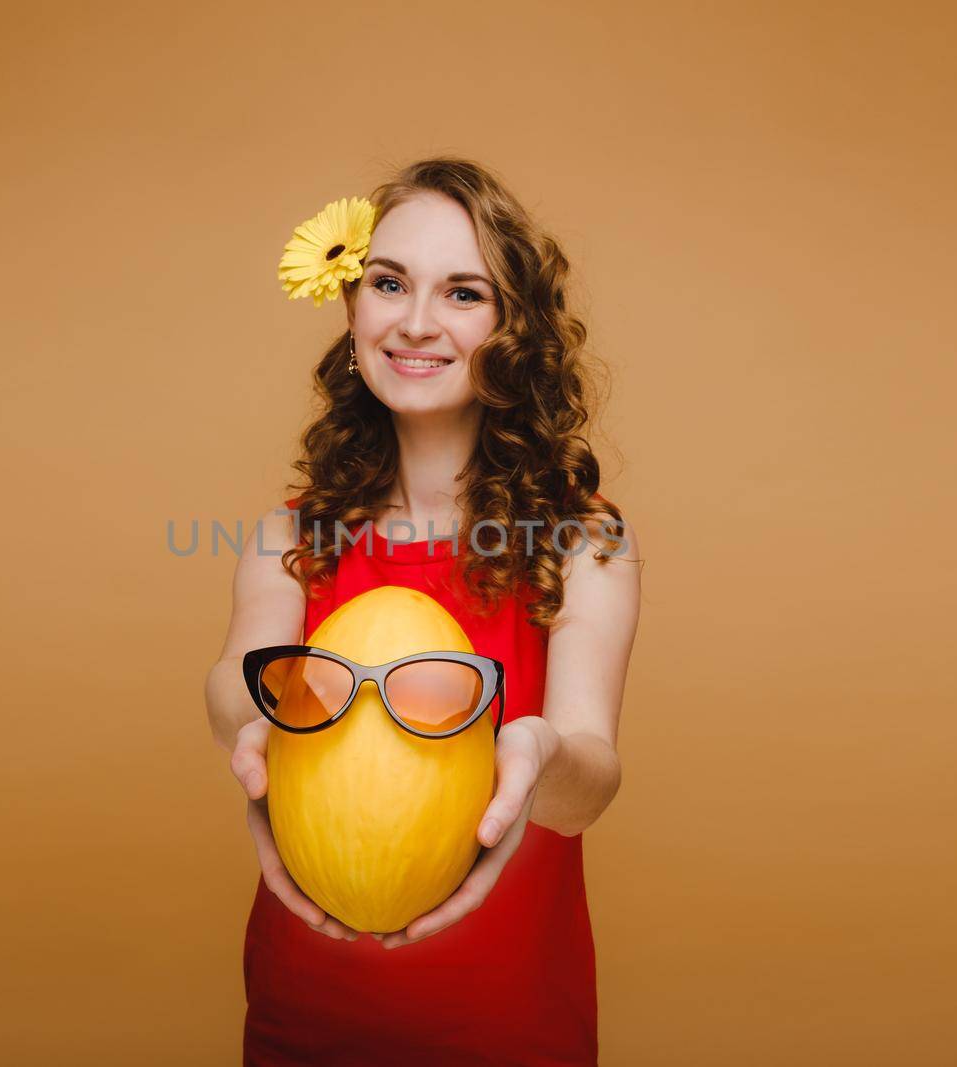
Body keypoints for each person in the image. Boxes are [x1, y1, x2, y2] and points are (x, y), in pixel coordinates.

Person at [205, 157, 643, 1066]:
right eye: (389, 282)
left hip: (509, 1025)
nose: (414, 322)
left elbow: (589, 772)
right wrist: (252, 725)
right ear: (352, 306)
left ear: (512, 327)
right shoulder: (293, 530)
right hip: (303, 1010)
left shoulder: (583, 540)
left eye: (463, 293)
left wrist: (540, 755)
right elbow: (236, 674)